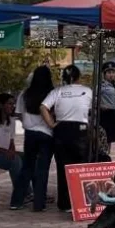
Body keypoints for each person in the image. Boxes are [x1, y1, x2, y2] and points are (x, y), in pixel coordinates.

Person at [41, 64, 93, 214]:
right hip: (81, 130)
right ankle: (81, 202)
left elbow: (43, 107)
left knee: (63, 167)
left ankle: (64, 204)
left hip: (61, 130)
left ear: (63, 78)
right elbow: (93, 109)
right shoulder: (87, 91)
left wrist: (51, 124)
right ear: (79, 77)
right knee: (81, 167)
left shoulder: (57, 91)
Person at [19, 66, 55, 212]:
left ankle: (16, 201)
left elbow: (19, 114)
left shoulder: (25, 94)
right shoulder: (52, 93)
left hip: (30, 134)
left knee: (27, 167)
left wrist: (28, 124)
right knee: (43, 169)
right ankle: (39, 203)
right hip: (47, 133)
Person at [98, 63, 115, 160]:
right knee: (103, 136)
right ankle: (102, 155)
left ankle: (108, 155)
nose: (111, 75)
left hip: (112, 113)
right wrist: (101, 105)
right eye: (109, 73)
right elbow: (94, 98)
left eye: (113, 72)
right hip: (104, 114)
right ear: (104, 74)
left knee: (110, 137)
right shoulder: (101, 86)